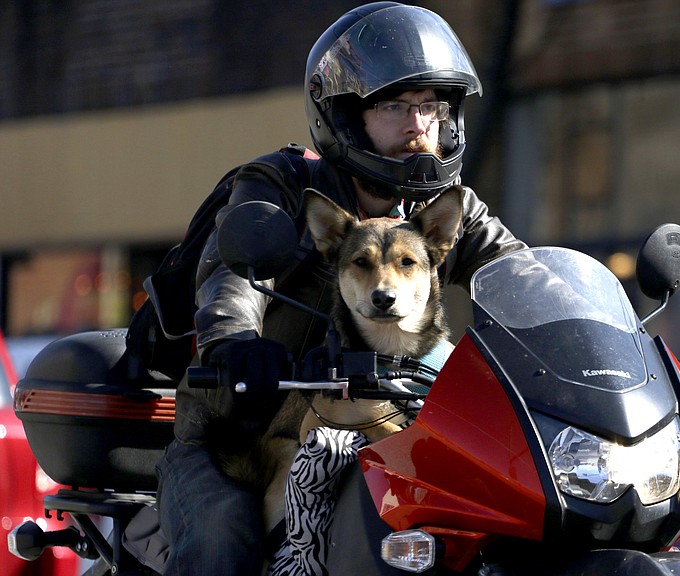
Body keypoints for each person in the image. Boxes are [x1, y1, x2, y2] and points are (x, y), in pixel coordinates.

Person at [155, 3, 527, 575]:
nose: (418, 125)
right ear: (347, 117)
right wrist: (234, 343)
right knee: (222, 541)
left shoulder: (449, 211)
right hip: (240, 438)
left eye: (431, 107)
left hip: (382, 424)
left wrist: (615, 351)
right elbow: (229, 278)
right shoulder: (283, 184)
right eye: (396, 106)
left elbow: (522, 279)